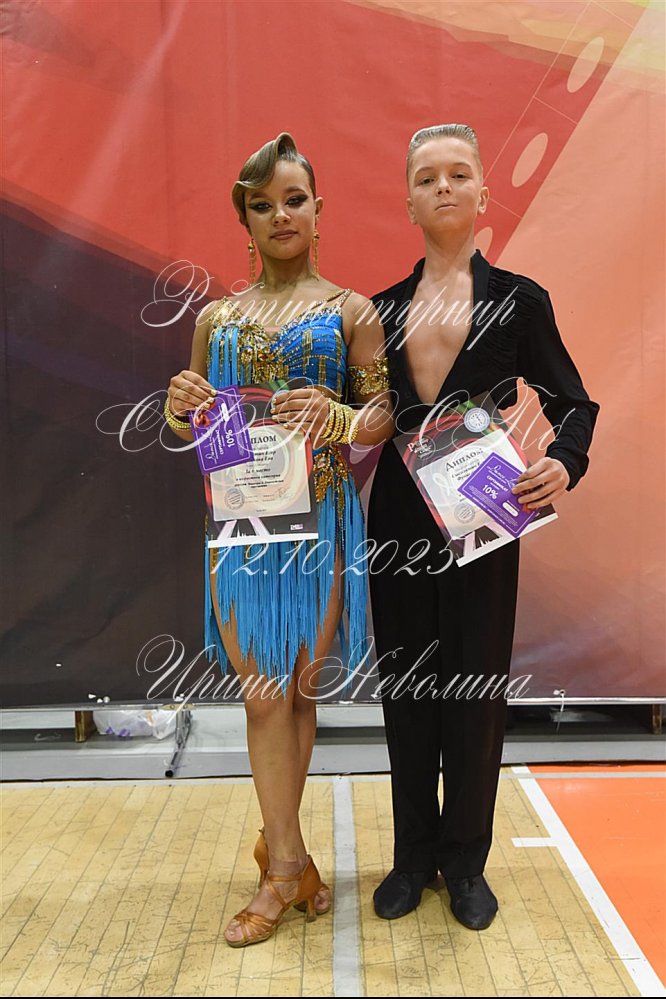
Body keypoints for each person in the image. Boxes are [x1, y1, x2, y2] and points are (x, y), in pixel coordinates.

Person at [367, 123, 600, 930]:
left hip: (484, 513)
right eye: (426, 176)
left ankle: (465, 861)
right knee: (407, 687)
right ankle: (411, 857)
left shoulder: (520, 301)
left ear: (482, 192)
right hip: (397, 515)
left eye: (459, 173)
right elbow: (362, 415)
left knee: (475, 686)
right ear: (407, 200)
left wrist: (563, 461)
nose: (444, 186)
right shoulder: (378, 312)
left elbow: (575, 402)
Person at [164, 132, 393, 947]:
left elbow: (382, 415)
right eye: (262, 205)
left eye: (293, 199)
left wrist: (337, 416)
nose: (280, 214)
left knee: (299, 690)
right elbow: (194, 424)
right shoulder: (215, 318)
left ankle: (282, 860)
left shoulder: (352, 311)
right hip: (242, 524)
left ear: (319, 210)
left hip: (322, 516)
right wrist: (179, 406)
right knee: (262, 693)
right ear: (246, 222)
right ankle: (288, 860)